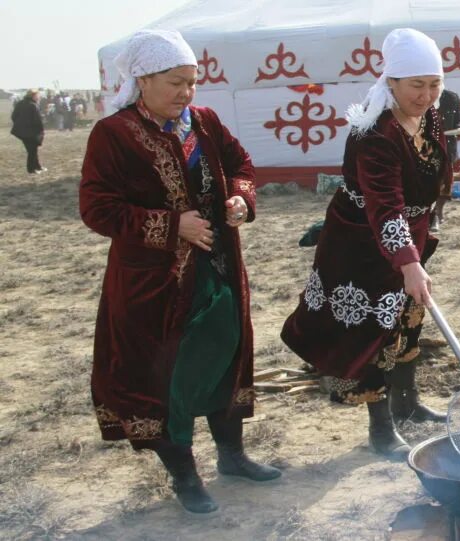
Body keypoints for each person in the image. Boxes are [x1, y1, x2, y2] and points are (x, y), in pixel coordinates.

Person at [79, 29, 279, 515]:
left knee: (225, 357)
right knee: (169, 375)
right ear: (142, 80)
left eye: (192, 82)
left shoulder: (204, 122)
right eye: (175, 83)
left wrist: (240, 198)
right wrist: (173, 226)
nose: (187, 93)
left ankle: (232, 456)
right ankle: (185, 477)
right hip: (154, 286)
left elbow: (242, 164)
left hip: (218, 271)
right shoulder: (114, 133)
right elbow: (97, 208)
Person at [281, 28, 451, 461]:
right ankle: (381, 429)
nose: (427, 94)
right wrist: (408, 262)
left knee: (409, 317)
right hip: (362, 241)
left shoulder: (429, 115)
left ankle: (407, 402)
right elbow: (384, 207)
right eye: (416, 85)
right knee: (373, 330)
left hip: (407, 235)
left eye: (434, 84)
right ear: (391, 80)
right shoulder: (375, 132)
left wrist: (419, 240)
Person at [432, 88, 460, 232]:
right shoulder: (419, 96)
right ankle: (431, 217)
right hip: (425, 150)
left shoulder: (451, 97)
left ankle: (438, 213)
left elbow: (459, 121)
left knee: (446, 184)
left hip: (447, 149)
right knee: (429, 184)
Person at [10, 89, 46, 174]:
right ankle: (31, 169)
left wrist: (19, 124)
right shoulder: (33, 105)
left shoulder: (20, 103)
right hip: (31, 132)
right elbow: (37, 121)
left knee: (32, 149)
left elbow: (13, 116)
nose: (39, 97)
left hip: (20, 131)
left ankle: (37, 166)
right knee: (32, 150)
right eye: (38, 95)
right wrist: (41, 130)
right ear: (33, 96)